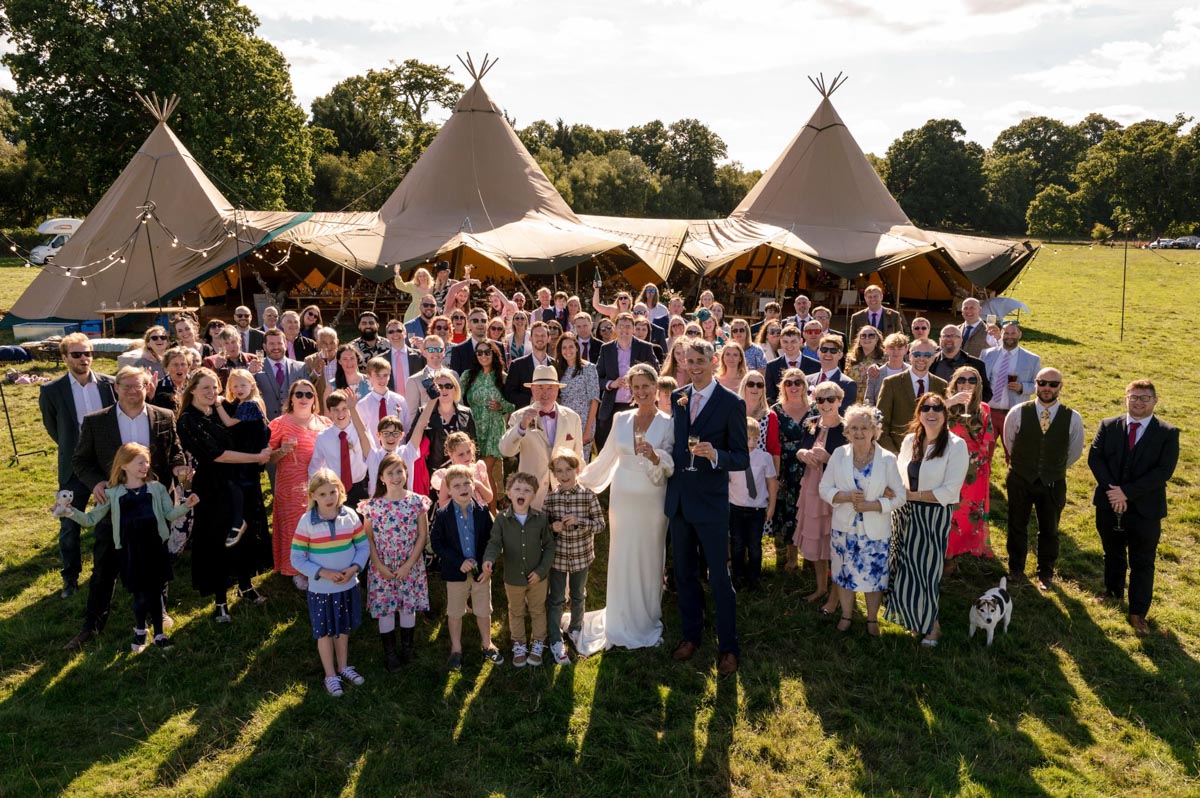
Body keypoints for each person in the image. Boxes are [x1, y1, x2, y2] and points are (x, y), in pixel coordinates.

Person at [64, 366, 184, 650]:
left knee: (156, 560)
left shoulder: (163, 416)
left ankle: (160, 612)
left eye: (138, 386)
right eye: (126, 386)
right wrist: (96, 483)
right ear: (115, 388)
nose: (133, 391)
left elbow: (174, 449)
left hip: (154, 504)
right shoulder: (96, 421)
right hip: (115, 505)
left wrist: (179, 465)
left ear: (147, 387)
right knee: (105, 564)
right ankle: (92, 624)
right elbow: (80, 461)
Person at [57, 442, 197, 651]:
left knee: (156, 593)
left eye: (147, 462)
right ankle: (140, 631)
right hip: (131, 551)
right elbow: (90, 519)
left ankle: (159, 634)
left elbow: (169, 514)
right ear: (124, 465)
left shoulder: (156, 488)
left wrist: (186, 505)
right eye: (140, 462)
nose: (145, 466)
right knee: (140, 596)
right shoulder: (113, 493)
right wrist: (69, 512)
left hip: (155, 548)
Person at [576, 363, 675, 654]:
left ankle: (645, 616)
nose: (642, 391)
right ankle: (619, 616)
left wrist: (656, 457)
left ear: (656, 388)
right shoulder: (621, 419)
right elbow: (606, 457)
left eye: (647, 386)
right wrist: (578, 481)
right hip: (622, 498)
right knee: (622, 555)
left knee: (648, 554)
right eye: (636, 387)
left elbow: (671, 463)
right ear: (630, 390)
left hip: (652, 497)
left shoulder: (669, 423)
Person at [666, 339, 749, 676]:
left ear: (714, 361)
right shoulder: (678, 397)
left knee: (718, 578)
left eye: (700, 360)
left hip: (712, 504)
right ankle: (691, 636)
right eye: (689, 361)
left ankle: (728, 647)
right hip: (680, 500)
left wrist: (716, 456)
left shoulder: (732, 403)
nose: (694, 367)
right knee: (684, 574)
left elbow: (741, 457)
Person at [176, 368, 273, 620]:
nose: (212, 392)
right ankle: (220, 600)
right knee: (218, 539)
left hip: (240, 481)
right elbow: (217, 455)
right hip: (212, 486)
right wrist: (256, 457)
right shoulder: (189, 419)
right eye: (205, 387)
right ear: (193, 390)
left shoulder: (223, 409)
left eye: (215, 387)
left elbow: (249, 430)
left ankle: (245, 585)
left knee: (245, 535)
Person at [1088, 380, 1179, 635]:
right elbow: (1095, 458)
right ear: (1126, 398)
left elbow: (1163, 471)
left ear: (1155, 401)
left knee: (1142, 561)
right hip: (1108, 503)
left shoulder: (1168, 433)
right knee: (1112, 551)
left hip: (1145, 510)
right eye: (1134, 397)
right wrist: (1112, 491)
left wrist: (1126, 492)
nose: (1138, 402)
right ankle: (1113, 592)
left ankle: (1138, 612)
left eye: (1144, 398)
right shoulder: (1108, 425)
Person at [886, 393, 969, 646]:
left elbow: (950, 490)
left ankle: (933, 627)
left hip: (931, 515)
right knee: (902, 567)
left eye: (937, 408)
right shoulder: (910, 440)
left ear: (946, 414)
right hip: (902, 512)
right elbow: (899, 474)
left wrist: (913, 495)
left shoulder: (956, 445)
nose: (931, 413)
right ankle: (914, 619)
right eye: (926, 408)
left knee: (925, 571)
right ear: (919, 413)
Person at [40, 333, 116, 598]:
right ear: (64, 358)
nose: (84, 358)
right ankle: (70, 577)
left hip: (107, 466)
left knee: (110, 521)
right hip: (74, 467)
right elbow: (54, 429)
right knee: (69, 525)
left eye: (88, 353)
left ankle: (108, 571)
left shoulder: (110, 385)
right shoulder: (51, 391)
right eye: (77, 354)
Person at [819, 405, 906, 637]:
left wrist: (875, 505)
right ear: (846, 431)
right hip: (844, 528)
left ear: (874, 430)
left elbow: (900, 496)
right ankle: (846, 615)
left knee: (875, 578)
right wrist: (845, 496)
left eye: (864, 428)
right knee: (843, 573)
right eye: (854, 428)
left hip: (875, 530)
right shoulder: (839, 454)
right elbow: (824, 488)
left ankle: (871, 619)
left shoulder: (887, 459)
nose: (859, 432)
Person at [289, 468, 370, 697]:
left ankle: (344, 667)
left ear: (340, 492)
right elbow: (297, 558)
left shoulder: (351, 516)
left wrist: (354, 568)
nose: (329, 498)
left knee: (342, 628)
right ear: (313, 496)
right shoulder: (307, 521)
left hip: (347, 585)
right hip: (321, 589)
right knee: (324, 632)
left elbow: (362, 546)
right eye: (322, 494)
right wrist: (322, 572)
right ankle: (330, 674)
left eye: (333, 492)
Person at [1002, 367, 1085, 590]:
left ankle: (1045, 573)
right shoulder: (1018, 411)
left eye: (1052, 384)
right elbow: (1009, 441)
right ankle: (1016, 569)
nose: (1047, 388)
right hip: (1020, 478)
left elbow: (1075, 451)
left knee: (1050, 529)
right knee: (1016, 525)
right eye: (1042, 382)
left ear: (1060, 387)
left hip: (1053, 482)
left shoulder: (1072, 417)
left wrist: (1052, 468)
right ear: (1036, 384)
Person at [429, 465, 504, 670]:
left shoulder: (482, 513)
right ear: (449, 490)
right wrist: (457, 561)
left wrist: (489, 564)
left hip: (481, 573)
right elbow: (437, 543)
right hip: (456, 573)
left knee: (483, 609)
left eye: (466, 483)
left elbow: (493, 541)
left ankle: (487, 643)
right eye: (457, 485)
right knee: (455, 612)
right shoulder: (443, 515)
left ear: (473, 485)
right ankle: (456, 648)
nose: (463, 488)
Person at [360, 454, 430, 671]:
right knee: (386, 608)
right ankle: (390, 653)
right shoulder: (372, 506)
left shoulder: (417, 502)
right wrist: (379, 565)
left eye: (399, 471)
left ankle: (407, 649)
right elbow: (368, 538)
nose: (395, 476)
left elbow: (422, 535)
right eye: (389, 473)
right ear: (381, 477)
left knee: (408, 606)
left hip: (410, 564)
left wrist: (409, 564)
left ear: (406, 473)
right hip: (383, 566)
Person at [482, 472, 555, 667]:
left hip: (537, 577)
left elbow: (549, 547)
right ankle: (520, 644)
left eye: (527, 490)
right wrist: (489, 559)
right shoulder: (502, 520)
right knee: (515, 611)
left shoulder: (540, 519)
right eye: (517, 489)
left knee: (538, 610)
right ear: (509, 493)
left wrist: (541, 571)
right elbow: (494, 543)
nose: (521, 492)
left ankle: (538, 642)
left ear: (533, 495)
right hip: (513, 577)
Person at [542, 450, 605, 665]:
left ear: (577, 470)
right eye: (559, 471)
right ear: (554, 474)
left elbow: (600, 525)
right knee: (556, 597)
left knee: (578, 594)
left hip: (581, 556)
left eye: (568, 469)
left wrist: (581, 522)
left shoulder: (587, 495)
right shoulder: (550, 499)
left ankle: (576, 628)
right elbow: (543, 531)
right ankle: (555, 637)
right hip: (558, 558)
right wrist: (553, 527)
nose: (564, 474)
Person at [267, 379, 332, 587]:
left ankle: (320, 564)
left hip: (321, 485)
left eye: (308, 394)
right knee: (295, 527)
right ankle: (296, 569)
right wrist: (281, 451)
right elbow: (267, 458)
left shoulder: (325, 423)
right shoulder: (280, 423)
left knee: (319, 525)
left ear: (314, 399)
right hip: (291, 485)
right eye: (299, 394)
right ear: (291, 399)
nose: (304, 398)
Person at [498, 365, 584, 509]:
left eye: (550, 388)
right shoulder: (519, 416)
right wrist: (522, 426)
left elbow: (579, 458)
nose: (545, 393)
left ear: (557, 389)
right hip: (533, 494)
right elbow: (506, 451)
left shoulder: (572, 417)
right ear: (532, 389)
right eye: (540, 388)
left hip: (565, 495)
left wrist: (578, 491)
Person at [795, 381, 847, 608]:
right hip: (812, 488)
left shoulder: (847, 429)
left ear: (840, 400)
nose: (825, 404)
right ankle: (821, 588)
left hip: (834, 492)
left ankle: (836, 596)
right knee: (817, 538)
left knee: (834, 542)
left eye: (830, 399)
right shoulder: (811, 423)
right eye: (820, 400)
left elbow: (851, 463)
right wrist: (803, 453)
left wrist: (829, 459)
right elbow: (800, 448)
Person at [944, 366, 997, 570]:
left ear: (978, 384)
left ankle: (960, 550)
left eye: (972, 380)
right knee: (950, 510)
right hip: (949, 464)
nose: (966, 384)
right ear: (954, 383)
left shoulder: (984, 408)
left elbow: (987, 439)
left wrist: (978, 463)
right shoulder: (944, 404)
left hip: (975, 469)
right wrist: (950, 402)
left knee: (968, 511)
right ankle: (947, 553)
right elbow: (928, 422)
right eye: (962, 380)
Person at [213, 369, 271, 551]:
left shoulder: (250, 404)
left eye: (243, 385)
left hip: (248, 456)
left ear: (252, 385)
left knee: (234, 484)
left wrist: (217, 404)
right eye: (235, 385)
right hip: (251, 452)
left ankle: (240, 521)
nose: (239, 388)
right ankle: (243, 521)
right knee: (237, 487)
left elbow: (229, 422)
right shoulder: (248, 403)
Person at [461, 340, 514, 510]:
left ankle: (492, 513)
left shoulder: (503, 377)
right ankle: (475, 508)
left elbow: (513, 405)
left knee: (486, 470)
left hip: (494, 428)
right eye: (480, 353)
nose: (483, 356)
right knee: (473, 470)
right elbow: (457, 400)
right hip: (473, 428)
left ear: (494, 354)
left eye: (487, 352)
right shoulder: (468, 376)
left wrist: (501, 406)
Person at [595, 312, 659, 449]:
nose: (624, 330)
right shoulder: (606, 349)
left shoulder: (645, 347)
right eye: (621, 326)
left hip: (638, 406)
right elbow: (597, 378)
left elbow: (655, 373)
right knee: (610, 449)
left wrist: (637, 381)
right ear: (616, 329)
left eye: (628, 326)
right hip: (612, 407)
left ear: (633, 329)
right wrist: (612, 384)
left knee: (637, 448)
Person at [770, 366, 812, 573]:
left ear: (805, 386)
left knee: (809, 510)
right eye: (789, 382)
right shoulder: (776, 410)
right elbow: (771, 444)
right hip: (785, 467)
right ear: (783, 386)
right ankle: (791, 556)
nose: (793, 386)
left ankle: (811, 556)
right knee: (788, 512)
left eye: (798, 382)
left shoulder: (815, 409)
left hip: (810, 468)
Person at [728, 417, 777, 592]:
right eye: (748, 438)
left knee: (755, 545)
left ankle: (754, 577)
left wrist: (771, 505)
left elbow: (772, 482)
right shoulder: (732, 457)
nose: (752, 442)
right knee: (737, 543)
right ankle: (738, 576)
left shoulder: (765, 458)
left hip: (757, 509)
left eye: (755, 438)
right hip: (735, 508)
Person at [876, 342, 947, 453]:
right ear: (909, 356)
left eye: (927, 355)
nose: (921, 359)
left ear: (933, 358)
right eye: (917, 354)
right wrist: (893, 453)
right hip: (899, 451)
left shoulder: (941, 385)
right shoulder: (891, 383)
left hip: (932, 452)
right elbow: (880, 423)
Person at [980, 322, 1040, 451]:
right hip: (988, 413)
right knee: (984, 453)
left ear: (1020, 334)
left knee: (1014, 453)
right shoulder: (987, 354)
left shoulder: (1032, 359)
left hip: (1014, 414)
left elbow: (1038, 385)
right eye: (1006, 333)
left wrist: (1022, 387)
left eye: (1013, 333)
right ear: (1001, 334)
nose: (1009, 336)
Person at [309, 390, 372, 508]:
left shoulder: (360, 430)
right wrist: (315, 491)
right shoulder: (323, 437)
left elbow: (372, 456)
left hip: (360, 486)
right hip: (334, 489)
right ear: (330, 412)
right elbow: (315, 466)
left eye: (344, 408)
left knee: (361, 522)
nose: (340, 413)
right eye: (335, 410)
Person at [411, 370, 476, 485]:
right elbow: (411, 441)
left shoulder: (466, 412)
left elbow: (474, 443)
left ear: (455, 389)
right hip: (435, 474)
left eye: (448, 386)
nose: (444, 390)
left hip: (463, 473)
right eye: (439, 386)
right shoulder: (424, 412)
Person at [554, 332, 600, 458]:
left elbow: (594, 400)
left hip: (584, 421)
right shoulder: (558, 369)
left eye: (571, 347)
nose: (568, 351)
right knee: (564, 459)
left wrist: (588, 429)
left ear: (577, 348)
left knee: (581, 461)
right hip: (564, 421)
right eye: (564, 347)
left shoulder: (589, 368)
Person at [252, 329, 307, 421]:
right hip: (265, 423)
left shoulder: (301, 367)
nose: (276, 347)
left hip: (295, 423)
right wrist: (251, 373)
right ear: (264, 347)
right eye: (271, 344)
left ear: (285, 345)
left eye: (279, 343)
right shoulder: (254, 368)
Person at [429, 432, 494, 510]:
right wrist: (460, 496)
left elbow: (489, 498)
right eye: (461, 454)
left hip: (480, 517)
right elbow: (442, 504)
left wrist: (479, 485)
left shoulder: (478, 469)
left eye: (468, 451)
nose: (466, 457)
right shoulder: (448, 476)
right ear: (451, 454)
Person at [930, 325, 991, 403]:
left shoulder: (977, 364)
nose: (949, 339)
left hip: (965, 412)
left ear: (961, 340)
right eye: (945, 336)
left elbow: (986, 393)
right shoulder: (930, 362)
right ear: (940, 340)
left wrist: (970, 407)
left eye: (953, 336)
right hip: (936, 411)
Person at [357, 357, 410, 445]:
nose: (382, 380)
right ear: (369, 377)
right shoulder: (362, 405)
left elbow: (407, 427)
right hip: (374, 454)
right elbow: (360, 433)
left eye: (385, 375)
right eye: (377, 375)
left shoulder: (400, 400)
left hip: (397, 453)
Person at [504, 320, 554, 409]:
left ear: (549, 338)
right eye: (536, 335)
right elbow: (509, 393)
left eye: (543, 335)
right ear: (530, 338)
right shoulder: (517, 365)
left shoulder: (556, 365)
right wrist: (531, 399)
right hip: (525, 415)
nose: (539, 338)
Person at [764, 326, 817, 404]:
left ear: (801, 341)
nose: (789, 345)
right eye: (785, 342)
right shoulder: (771, 366)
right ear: (781, 343)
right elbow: (770, 395)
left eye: (793, 341)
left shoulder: (816, 366)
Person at [806, 335, 857, 411]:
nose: (828, 354)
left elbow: (844, 414)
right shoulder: (807, 380)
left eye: (833, 351)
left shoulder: (848, 384)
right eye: (824, 350)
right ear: (818, 352)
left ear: (840, 355)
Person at [404, 333, 450, 416]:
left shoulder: (453, 375)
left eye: (439, 350)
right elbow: (412, 414)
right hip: (427, 427)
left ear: (444, 352)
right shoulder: (414, 381)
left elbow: (459, 405)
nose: (435, 353)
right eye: (431, 350)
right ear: (424, 352)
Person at [845, 325, 886, 405]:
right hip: (852, 399)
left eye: (871, 335)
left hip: (874, 399)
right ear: (859, 340)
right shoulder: (850, 358)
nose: (867, 338)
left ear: (877, 339)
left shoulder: (885, 358)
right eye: (863, 336)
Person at [867, 333, 910, 406]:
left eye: (899, 349)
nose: (896, 352)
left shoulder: (912, 371)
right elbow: (868, 399)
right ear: (885, 349)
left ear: (906, 349)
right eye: (892, 348)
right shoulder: (876, 372)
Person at [304, 327, 340, 414]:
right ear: (318, 344)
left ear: (337, 342)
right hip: (320, 409)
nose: (328, 346)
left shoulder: (345, 359)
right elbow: (306, 386)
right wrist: (317, 371)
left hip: (341, 407)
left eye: (332, 343)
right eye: (324, 343)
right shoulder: (310, 360)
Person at [383, 320, 424, 395]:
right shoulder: (382, 359)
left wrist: (425, 350)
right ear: (387, 336)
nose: (395, 334)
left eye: (399, 331)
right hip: (392, 402)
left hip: (416, 401)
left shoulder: (420, 355)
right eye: (391, 332)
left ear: (405, 334)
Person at [150, 347, 193, 413]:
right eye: (175, 365)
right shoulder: (157, 387)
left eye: (183, 364)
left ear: (188, 367)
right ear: (166, 367)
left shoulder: (195, 384)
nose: (179, 368)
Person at [449, 308, 490, 374]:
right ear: (468, 324)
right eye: (475, 321)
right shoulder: (458, 350)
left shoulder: (499, 347)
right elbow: (455, 380)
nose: (480, 324)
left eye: (483, 321)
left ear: (488, 324)